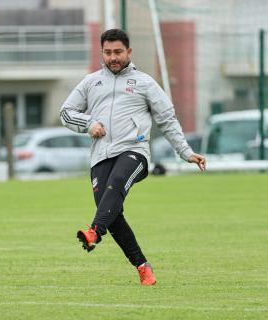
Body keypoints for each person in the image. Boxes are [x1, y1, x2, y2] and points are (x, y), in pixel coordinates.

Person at [60, 29, 206, 286]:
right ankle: (142, 266)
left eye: (118, 52)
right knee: (112, 212)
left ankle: (94, 231)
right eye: (108, 52)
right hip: (100, 157)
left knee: (116, 183)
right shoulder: (90, 82)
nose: (113, 57)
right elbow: (66, 113)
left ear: (128, 52)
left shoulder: (145, 83)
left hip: (134, 153)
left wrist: (186, 152)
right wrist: (89, 123)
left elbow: (167, 119)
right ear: (102, 53)